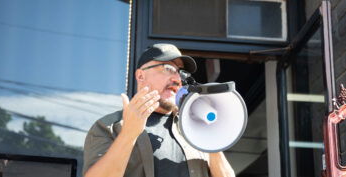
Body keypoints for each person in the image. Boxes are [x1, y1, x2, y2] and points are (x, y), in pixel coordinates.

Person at [83, 43, 235, 177]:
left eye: (180, 72)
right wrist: (128, 134)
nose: (177, 79)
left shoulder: (193, 128)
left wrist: (211, 139)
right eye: (168, 68)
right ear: (141, 76)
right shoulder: (110, 127)